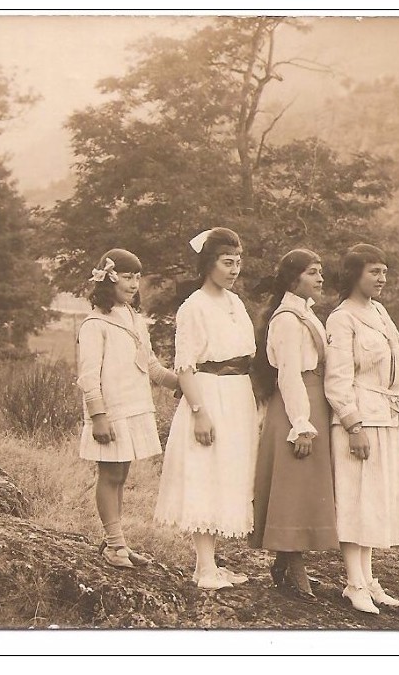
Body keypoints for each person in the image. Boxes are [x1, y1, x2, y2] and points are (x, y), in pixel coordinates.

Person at [154, 227, 259, 590]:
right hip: (209, 395)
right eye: (227, 263)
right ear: (208, 264)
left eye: (238, 263)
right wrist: (199, 411)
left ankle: (212, 563)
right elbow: (185, 367)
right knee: (206, 474)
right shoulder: (194, 306)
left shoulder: (235, 304)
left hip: (237, 396)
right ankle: (204, 567)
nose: (234, 270)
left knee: (228, 476)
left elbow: (246, 355)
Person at [76, 248, 179, 568]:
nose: (134, 284)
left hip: (134, 406)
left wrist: (184, 383)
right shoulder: (95, 323)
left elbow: (151, 366)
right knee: (109, 474)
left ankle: (116, 543)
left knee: (121, 474)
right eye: (126, 276)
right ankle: (114, 546)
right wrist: (98, 416)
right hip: (111, 410)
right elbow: (88, 376)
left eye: (137, 277)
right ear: (108, 279)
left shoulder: (134, 319)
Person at [324, 243, 399, 614]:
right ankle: (353, 582)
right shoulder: (341, 318)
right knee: (356, 498)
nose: (382, 278)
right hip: (359, 418)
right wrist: (352, 423)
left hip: (386, 415)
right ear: (354, 274)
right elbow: (337, 379)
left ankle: (369, 578)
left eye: (385, 271)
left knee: (375, 498)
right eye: (374, 271)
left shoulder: (379, 311)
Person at [249, 249, 338, 600]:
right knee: (293, 485)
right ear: (292, 279)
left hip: (313, 400)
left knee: (304, 485)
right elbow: (288, 374)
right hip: (294, 404)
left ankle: (286, 564)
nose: (320, 279)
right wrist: (300, 423)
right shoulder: (286, 319)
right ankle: (292, 563)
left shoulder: (306, 313)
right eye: (313, 273)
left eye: (320, 272)